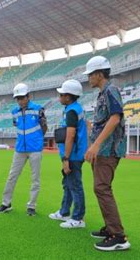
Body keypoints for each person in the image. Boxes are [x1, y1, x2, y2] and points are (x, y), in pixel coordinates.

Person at [83, 56, 131, 251]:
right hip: (103, 149)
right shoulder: (103, 93)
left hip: (109, 149)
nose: (88, 79)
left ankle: (118, 236)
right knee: (101, 188)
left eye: (90, 75)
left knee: (102, 188)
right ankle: (110, 228)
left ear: (99, 74)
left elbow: (114, 118)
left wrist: (96, 146)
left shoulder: (110, 90)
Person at [0, 83, 47, 216]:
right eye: (17, 98)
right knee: (12, 176)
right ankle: (6, 203)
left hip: (35, 148)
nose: (20, 101)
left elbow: (44, 127)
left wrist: (37, 140)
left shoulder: (38, 109)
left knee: (35, 178)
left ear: (28, 96)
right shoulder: (14, 112)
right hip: (19, 149)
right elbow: (17, 126)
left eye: (22, 97)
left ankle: (32, 206)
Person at [49, 79, 88, 229]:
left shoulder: (72, 111)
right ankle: (65, 212)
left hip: (73, 155)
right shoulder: (75, 108)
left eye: (62, 94)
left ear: (68, 96)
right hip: (74, 153)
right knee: (68, 184)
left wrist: (66, 158)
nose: (59, 97)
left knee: (75, 185)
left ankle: (78, 218)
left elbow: (70, 135)